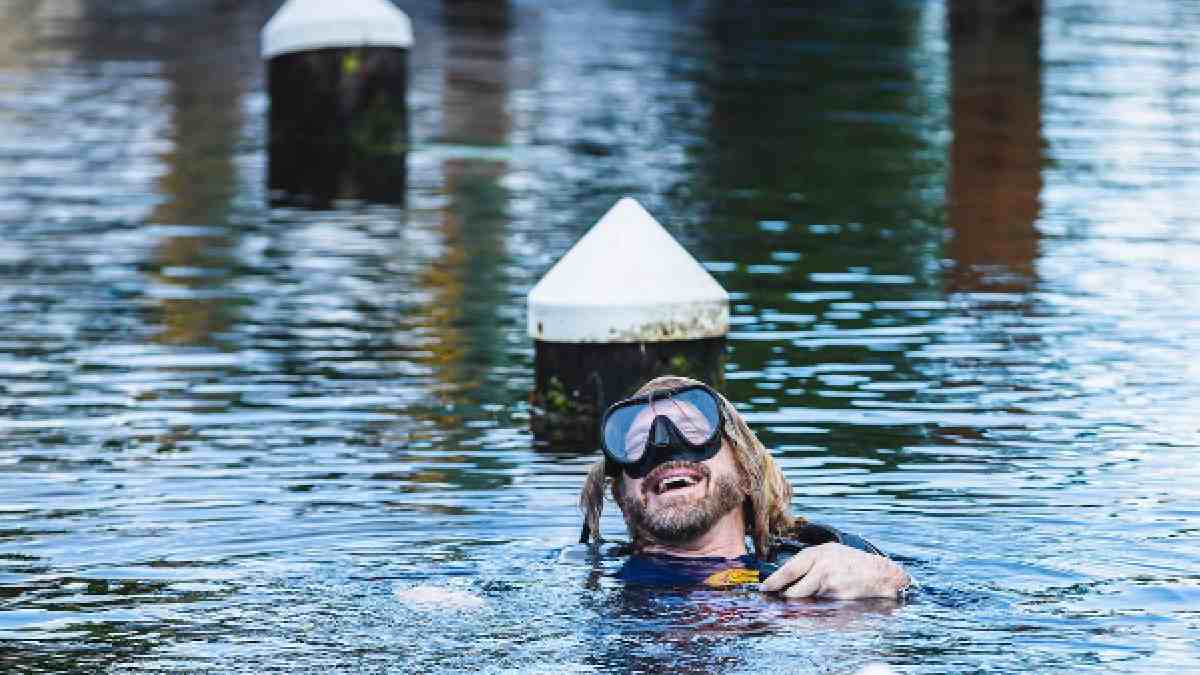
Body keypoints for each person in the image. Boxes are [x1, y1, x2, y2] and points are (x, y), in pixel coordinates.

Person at [578, 375, 911, 599]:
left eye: (694, 432)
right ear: (622, 497)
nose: (663, 448)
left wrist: (889, 581)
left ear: (747, 472)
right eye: (638, 444)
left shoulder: (818, 565)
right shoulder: (590, 576)